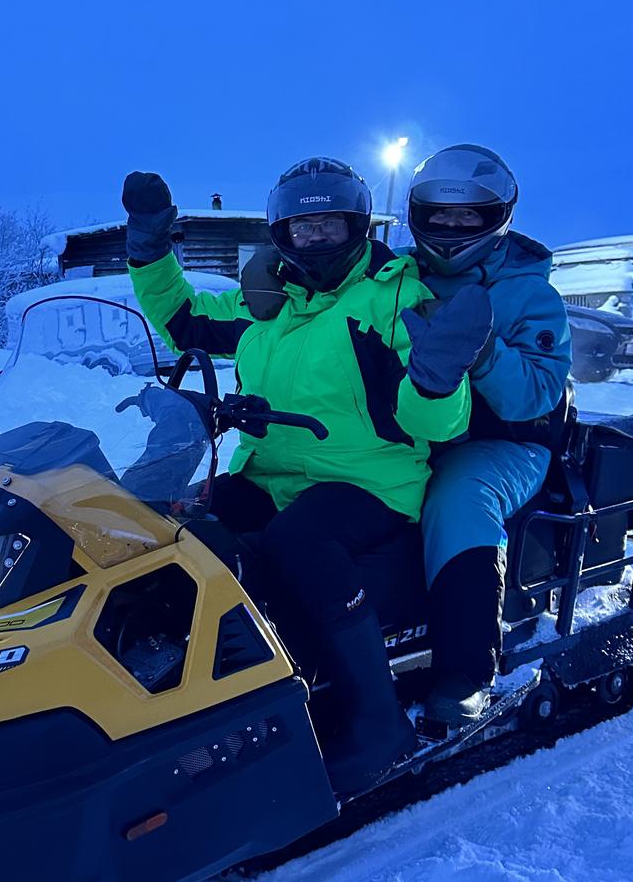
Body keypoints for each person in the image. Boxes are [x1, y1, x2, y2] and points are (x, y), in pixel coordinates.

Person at [120, 158, 493, 795]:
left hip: (370, 481)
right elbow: (184, 319)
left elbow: (438, 426)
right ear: (281, 236)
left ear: (356, 226)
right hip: (269, 471)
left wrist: (435, 378)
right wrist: (150, 245)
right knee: (165, 526)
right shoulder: (269, 302)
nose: (315, 240)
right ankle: (173, 692)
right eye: (301, 228)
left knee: (298, 543)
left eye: (329, 226)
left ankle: (377, 721)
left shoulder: (396, 297)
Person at [401, 144, 573, 726]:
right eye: (439, 215)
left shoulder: (530, 292)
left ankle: (467, 668)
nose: (450, 228)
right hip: (416, 431)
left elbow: (535, 395)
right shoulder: (397, 277)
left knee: (457, 498)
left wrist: (479, 349)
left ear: (496, 217)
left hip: (505, 442)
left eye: (467, 216)